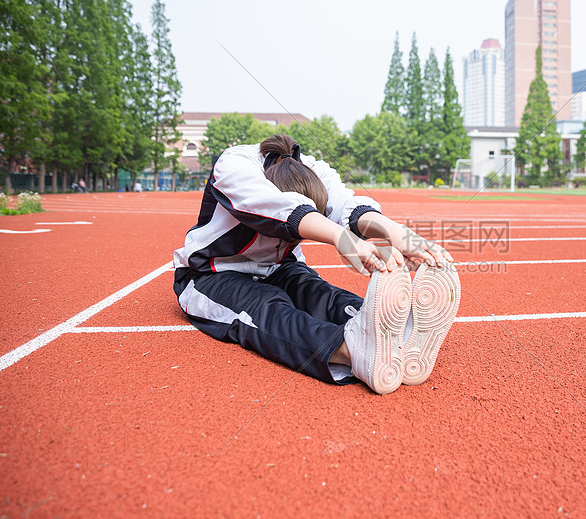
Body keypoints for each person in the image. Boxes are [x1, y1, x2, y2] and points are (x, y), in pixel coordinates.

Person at [172, 134, 460, 395]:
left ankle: (394, 331)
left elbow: (346, 205)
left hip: (280, 266)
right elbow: (276, 206)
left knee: (321, 293)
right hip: (213, 273)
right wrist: (344, 241)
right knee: (269, 309)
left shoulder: (312, 168)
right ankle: (350, 350)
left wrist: (396, 233)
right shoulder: (236, 164)